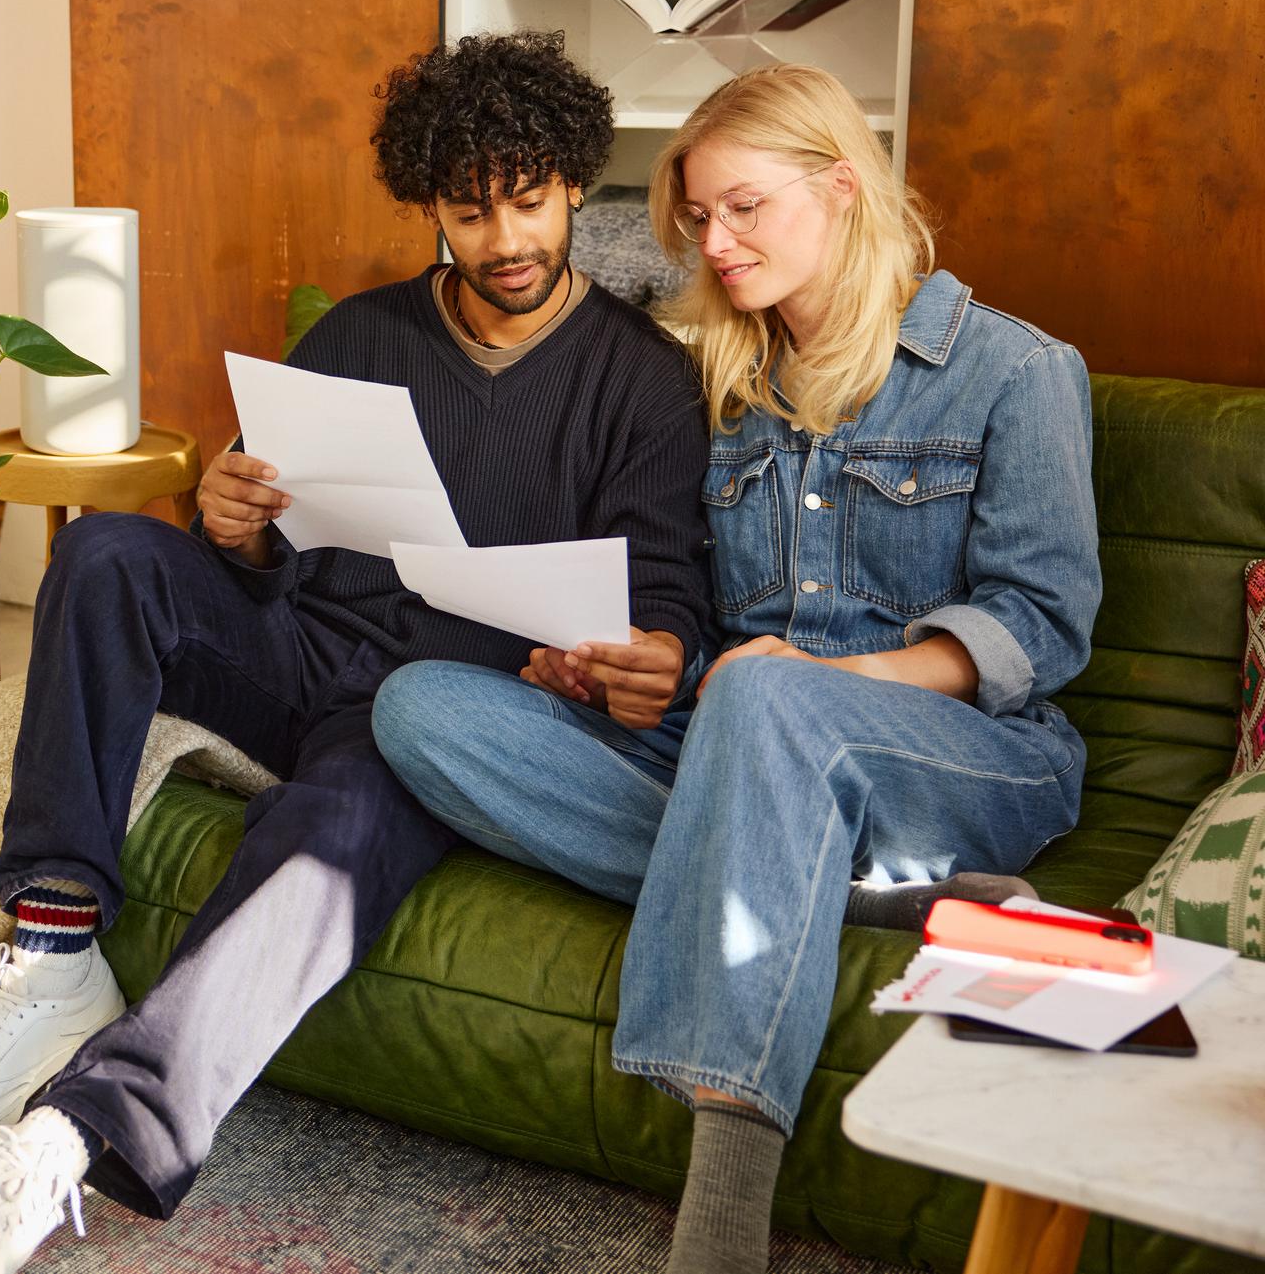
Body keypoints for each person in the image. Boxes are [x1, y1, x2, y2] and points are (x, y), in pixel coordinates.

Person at [0, 28, 714, 1274]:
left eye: (530, 201)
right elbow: (261, 542)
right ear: (429, 205)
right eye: (470, 210)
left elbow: (668, 597)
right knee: (104, 552)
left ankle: (67, 1138)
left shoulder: (643, 381)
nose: (506, 238)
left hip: (435, 714)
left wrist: (649, 655)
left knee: (333, 827)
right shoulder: (360, 334)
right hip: (299, 646)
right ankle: (51, 948)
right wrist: (234, 524)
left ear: (576, 184)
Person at [372, 62, 1100, 1274]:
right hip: (749, 739)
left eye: (744, 208)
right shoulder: (721, 381)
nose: (714, 243)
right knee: (421, 709)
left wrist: (820, 682)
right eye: (701, 216)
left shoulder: (1013, 370)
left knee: (766, 693)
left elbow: (1039, 632)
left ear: (844, 186)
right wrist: (639, 665)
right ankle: (842, 890)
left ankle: (720, 1218)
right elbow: (716, 629)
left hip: (973, 756)